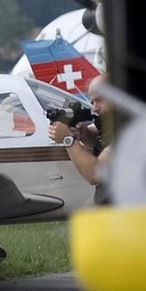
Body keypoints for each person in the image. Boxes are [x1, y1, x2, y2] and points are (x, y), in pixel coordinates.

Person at [48, 74, 113, 202]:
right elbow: (100, 142)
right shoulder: (111, 124)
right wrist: (85, 135)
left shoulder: (128, 128)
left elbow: (95, 174)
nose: (95, 107)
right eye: (92, 102)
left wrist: (68, 139)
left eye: (100, 100)